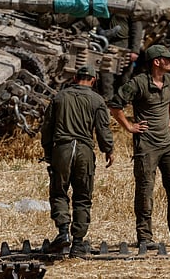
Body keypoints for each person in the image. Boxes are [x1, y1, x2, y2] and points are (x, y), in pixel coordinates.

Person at [108, 44, 170, 249]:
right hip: (147, 145)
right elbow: (115, 105)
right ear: (156, 62)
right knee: (145, 190)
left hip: (168, 143)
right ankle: (145, 237)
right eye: (167, 58)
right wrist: (130, 127)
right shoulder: (138, 83)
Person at [41, 65, 115, 257]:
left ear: (75, 78)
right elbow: (103, 129)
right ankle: (78, 243)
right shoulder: (97, 100)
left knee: (59, 192)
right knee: (82, 196)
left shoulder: (59, 97)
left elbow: (47, 127)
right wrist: (108, 149)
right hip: (84, 150)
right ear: (93, 80)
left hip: (62, 149)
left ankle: (63, 232)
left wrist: (49, 152)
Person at [97, 0, 144, 100]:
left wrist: (135, 50)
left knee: (123, 78)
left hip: (123, 45)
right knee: (106, 76)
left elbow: (136, 29)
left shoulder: (129, 5)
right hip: (107, 44)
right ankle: (107, 103)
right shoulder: (105, 2)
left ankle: (120, 103)